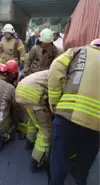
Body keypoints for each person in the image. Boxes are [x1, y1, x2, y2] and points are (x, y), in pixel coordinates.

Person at [48, 39, 100, 185]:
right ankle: (80, 178)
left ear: (92, 44)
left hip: (68, 115)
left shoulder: (78, 51)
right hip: (96, 123)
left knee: (59, 156)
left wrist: (54, 99)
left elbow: (56, 68)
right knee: (87, 155)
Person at [15, 70, 53, 172]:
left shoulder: (54, 70)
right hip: (34, 95)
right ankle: (36, 162)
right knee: (46, 130)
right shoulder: (68, 76)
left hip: (21, 90)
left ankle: (29, 142)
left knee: (33, 119)